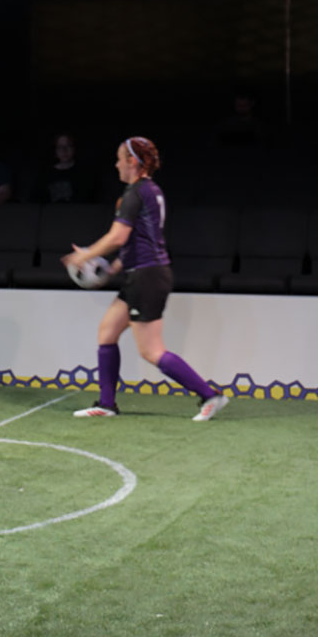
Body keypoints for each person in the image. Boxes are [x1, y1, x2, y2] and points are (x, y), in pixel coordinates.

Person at [61, 136, 229, 422]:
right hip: (141, 273)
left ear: (132, 162)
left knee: (151, 350)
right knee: (107, 332)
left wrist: (85, 256)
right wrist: (111, 269)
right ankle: (106, 404)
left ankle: (210, 396)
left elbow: (118, 237)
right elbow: (138, 241)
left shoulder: (135, 193)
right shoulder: (150, 190)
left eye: (119, 159)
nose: (116, 164)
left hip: (147, 277)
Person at [32, 132, 95, 204]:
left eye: (68, 146)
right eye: (60, 147)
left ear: (74, 148)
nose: (64, 150)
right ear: (55, 150)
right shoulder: (45, 175)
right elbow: (34, 201)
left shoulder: (84, 173)